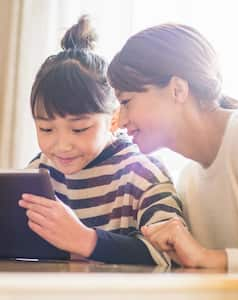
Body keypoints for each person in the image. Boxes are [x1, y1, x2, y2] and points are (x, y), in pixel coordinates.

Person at [107, 23, 238, 273]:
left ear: (177, 89)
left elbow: (209, 261)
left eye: (126, 102)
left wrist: (212, 258)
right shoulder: (188, 182)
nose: (120, 121)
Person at [18, 16, 183, 266]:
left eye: (79, 129)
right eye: (46, 128)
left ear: (114, 118)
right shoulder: (37, 176)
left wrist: (87, 241)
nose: (62, 145)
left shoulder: (142, 175)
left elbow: (172, 255)